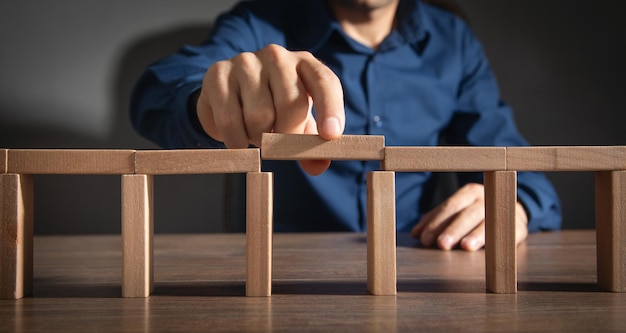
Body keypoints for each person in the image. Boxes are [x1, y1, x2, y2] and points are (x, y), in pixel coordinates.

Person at [130, 0, 562, 251]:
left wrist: (514, 202)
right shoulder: (258, 21)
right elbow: (156, 92)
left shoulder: (453, 39)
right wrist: (208, 101)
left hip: (418, 269)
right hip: (276, 275)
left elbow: (510, 158)